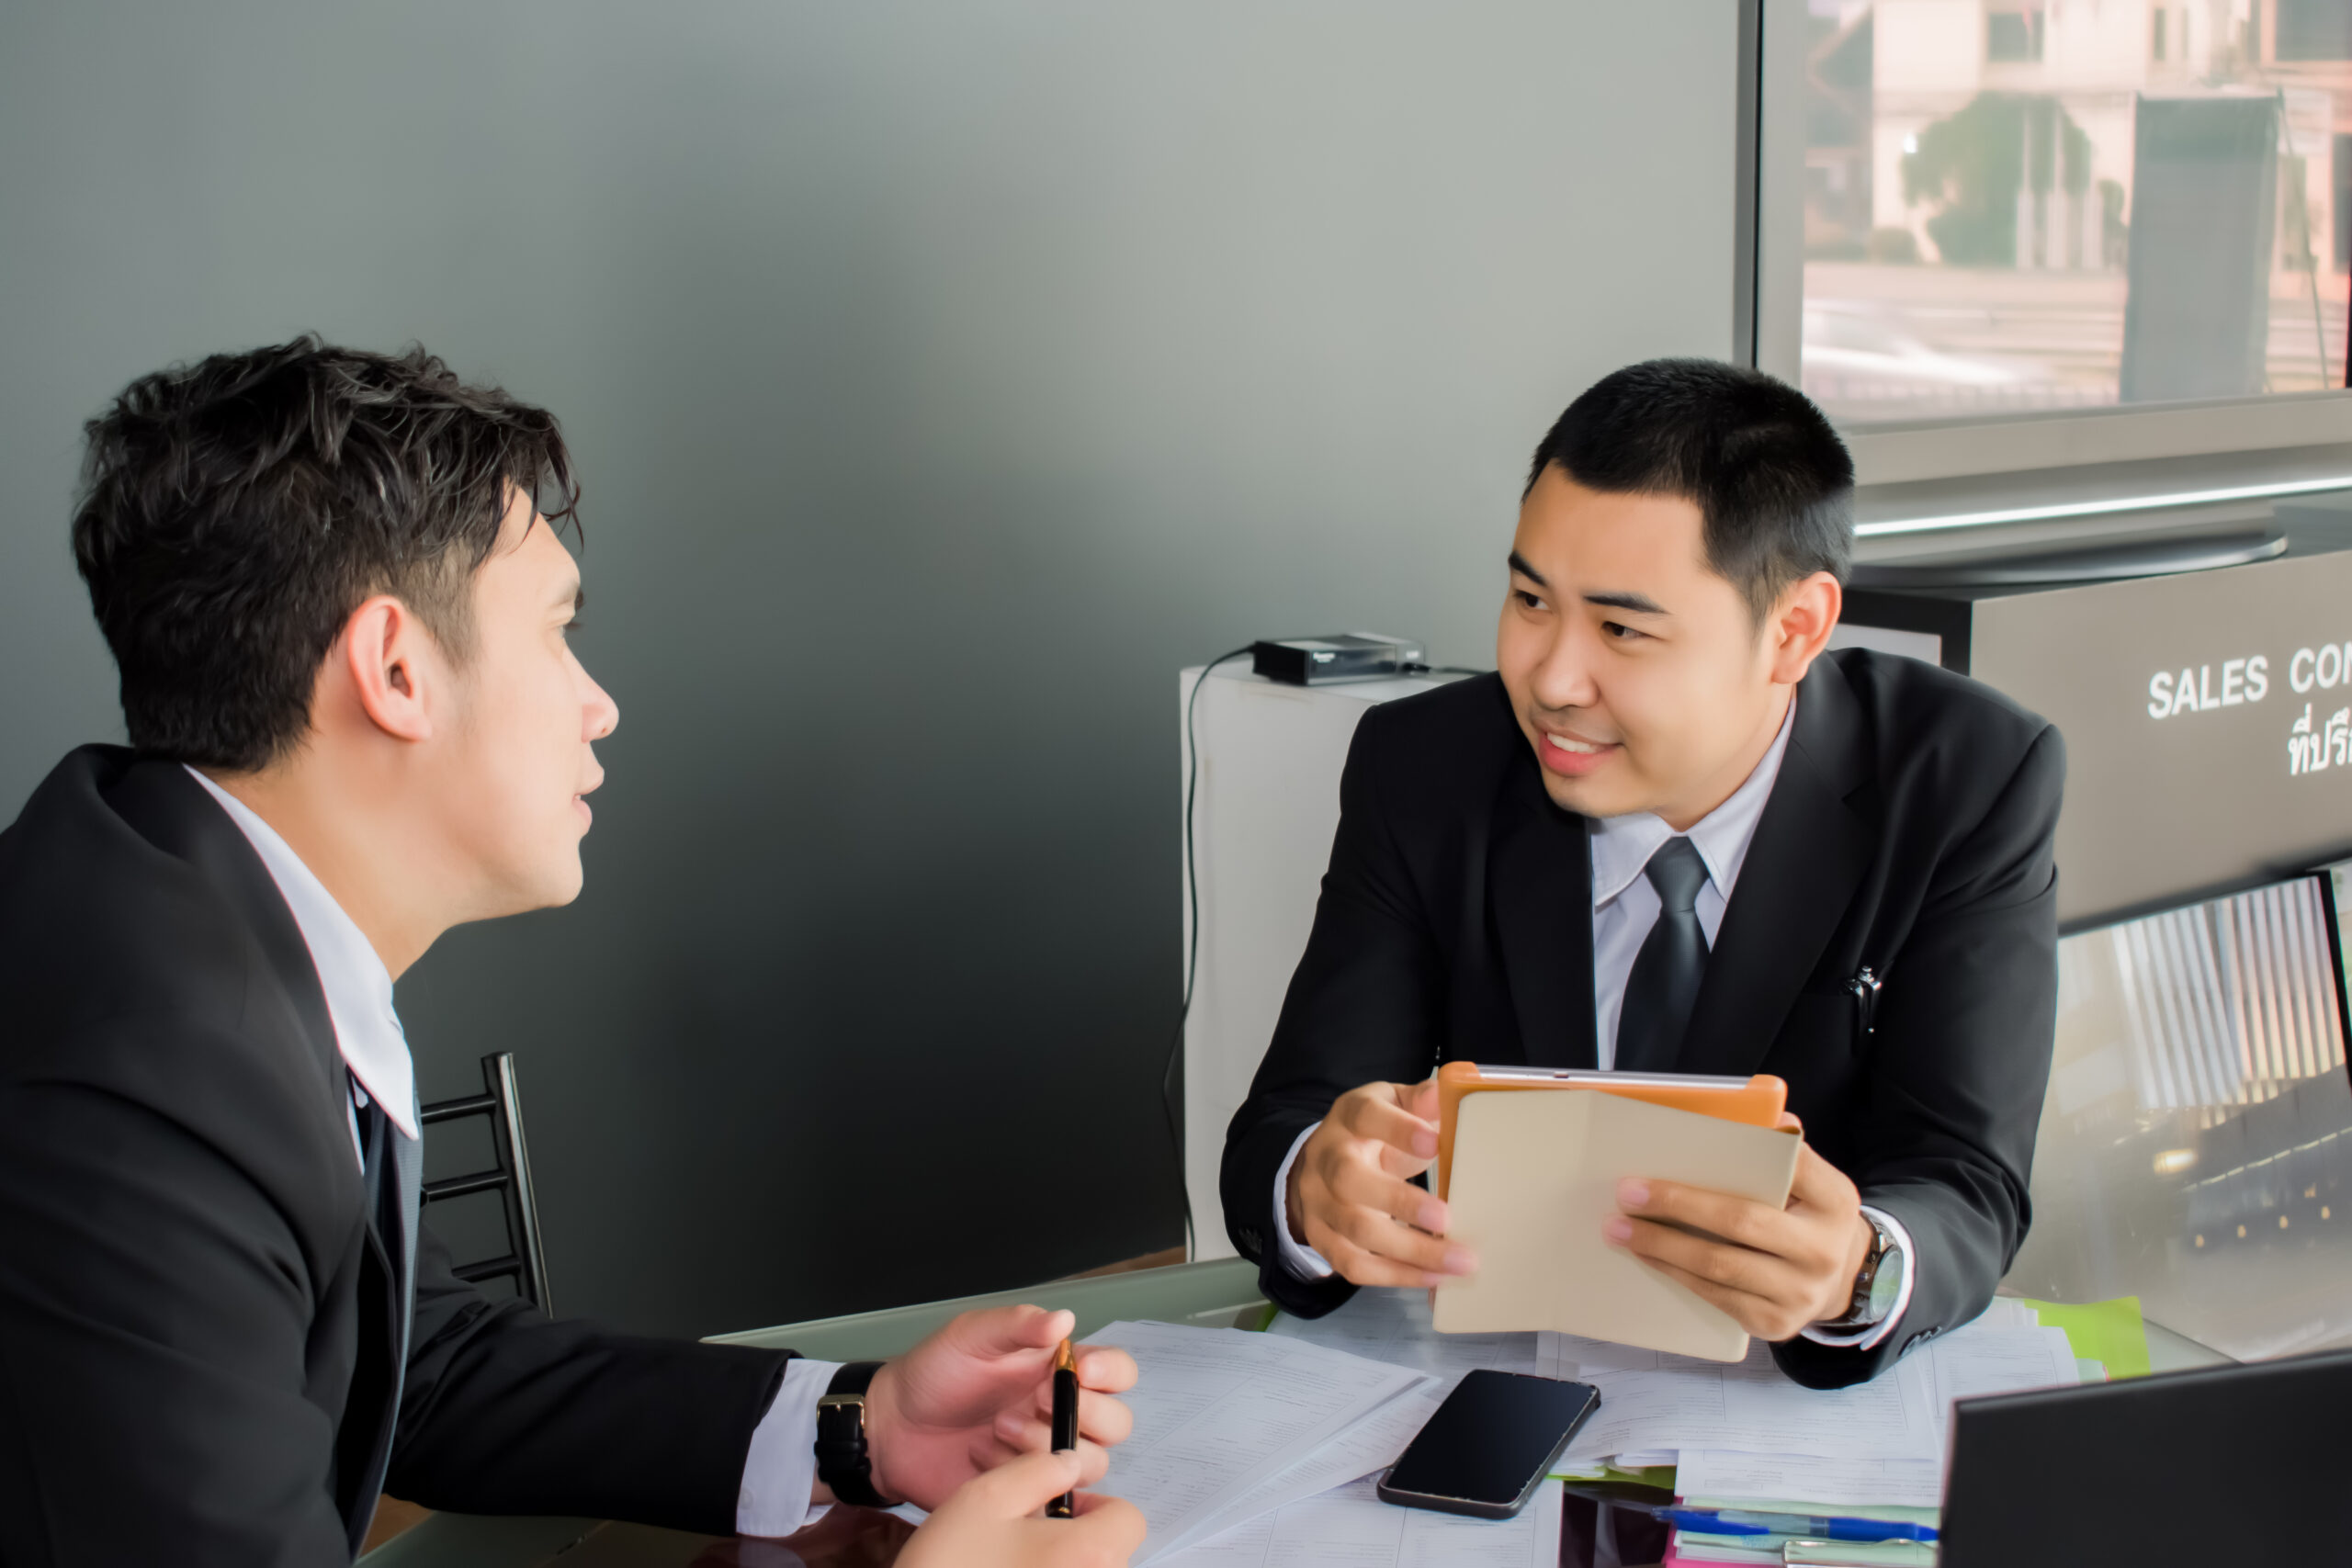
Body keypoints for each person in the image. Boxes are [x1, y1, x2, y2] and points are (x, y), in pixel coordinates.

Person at [0, 339, 1146, 1567]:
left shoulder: (178, 911)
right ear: (396, 668)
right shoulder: (129, 1091)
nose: (598, 702)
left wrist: (858, 1425)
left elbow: (420, 1364)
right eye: (556, 631)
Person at [1220, 359, 2065, 1389]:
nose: (1549, 679)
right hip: (1474, 1377)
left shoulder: (1965, 780)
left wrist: (1860, 1270)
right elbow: (1293, 1116)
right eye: (1529, 598)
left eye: (1622, 629)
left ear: (1793, 631)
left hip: (1773, 1410)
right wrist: (1315, 1188)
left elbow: (1964, 1177)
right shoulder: (1426, 765)